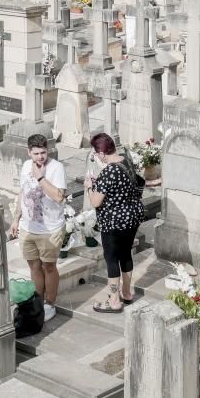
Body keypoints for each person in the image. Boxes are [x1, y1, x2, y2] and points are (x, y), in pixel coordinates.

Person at [85, 133, 145, 314]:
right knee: (126, 255)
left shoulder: (108, 171)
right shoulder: (126, 161)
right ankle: (126, 293)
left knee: (112, 259)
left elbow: (96, 201)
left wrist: (89, 186)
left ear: (102, 154)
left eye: (96, 154)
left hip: (113, 221)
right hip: (132, 217)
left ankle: (114, 300)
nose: (96, 157)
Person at [10, 133, 67, 323]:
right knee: (34, 266)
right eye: (36, 153)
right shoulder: (26, 166)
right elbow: (22, 192)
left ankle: (50, 304)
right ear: (29, 152)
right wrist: (16, 219)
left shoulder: (56, 168)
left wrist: (41, 178)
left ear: (47, 150)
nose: (40, 157)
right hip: (28, 227)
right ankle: (38, 300)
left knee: (49, 266)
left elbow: (59, 197)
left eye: (43, 152)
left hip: (50, 229)